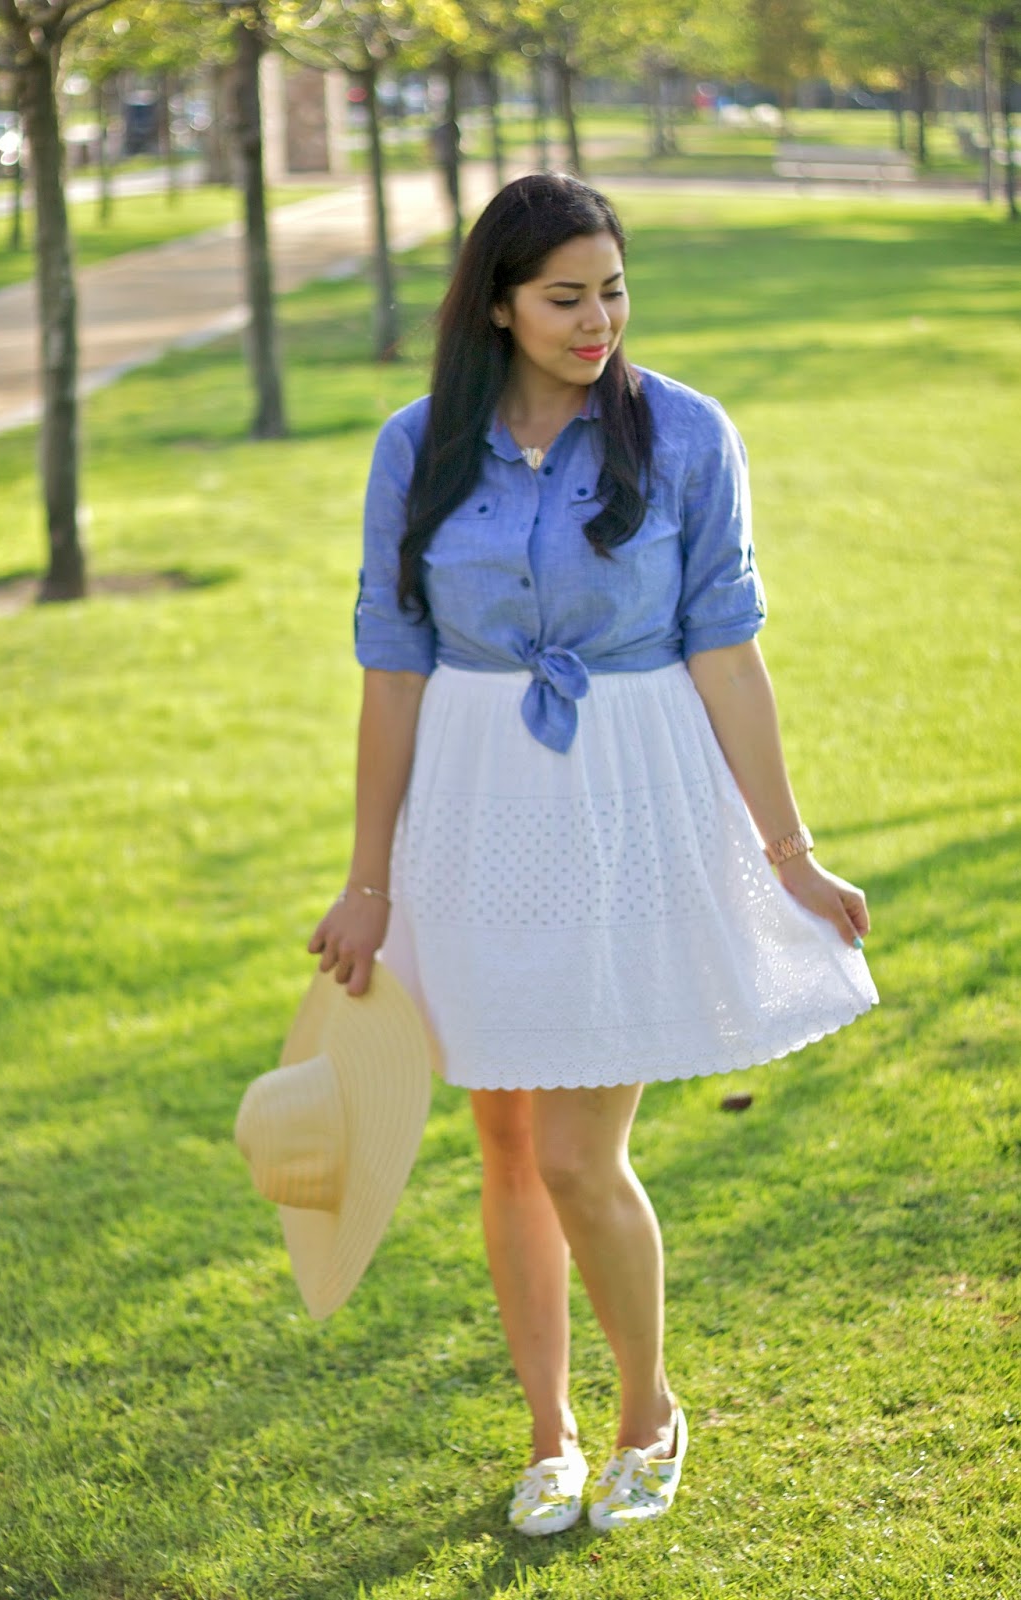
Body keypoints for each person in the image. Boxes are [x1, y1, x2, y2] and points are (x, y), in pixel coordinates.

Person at [308, 172, 877, 1535]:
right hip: (469, 805)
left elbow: (726, 652)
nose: (596, 321)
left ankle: (647, 1414)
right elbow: (392, 671)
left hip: (626, 800)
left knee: (574, 1150)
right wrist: (368, 882)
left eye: (612, 291)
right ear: (497, 305)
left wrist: (789, 854)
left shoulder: (683, 432)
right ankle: (549, 1435)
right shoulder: (417, 445)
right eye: (564, 297)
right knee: (506, 1141)